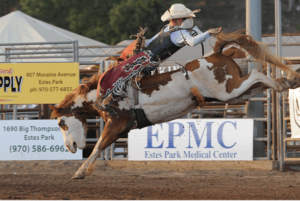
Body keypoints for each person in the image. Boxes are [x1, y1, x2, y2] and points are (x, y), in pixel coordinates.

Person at [98, 3, 221, 104]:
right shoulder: (173, 31)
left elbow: (191, 42)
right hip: (147, 58)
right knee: (125, 63)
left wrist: (208, 33)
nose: (172, 21)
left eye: (173, 19)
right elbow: (191, 42)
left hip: (147, 59)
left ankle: (112, 93)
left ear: (176, 19)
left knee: (124, 68)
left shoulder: (173, 31)